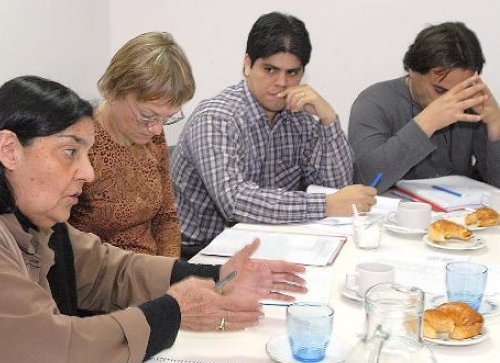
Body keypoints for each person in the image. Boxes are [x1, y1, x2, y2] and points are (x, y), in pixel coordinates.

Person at [0, 76, 307, 363]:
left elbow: (109, 270)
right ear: (9, 150)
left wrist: (217, 275)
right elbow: (46, 350)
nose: (88, 173)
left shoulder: (26, 213)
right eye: (70, 152)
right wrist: (174, 311)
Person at [171, 12, 377, 258]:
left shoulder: (299, 118)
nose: (281, 83)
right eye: (270, 69)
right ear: (247, 64)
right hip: (200, 252)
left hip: (271, 243)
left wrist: (329, 119)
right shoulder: (217, 118)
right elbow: (235, 202)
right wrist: (325, 205)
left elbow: (337, 190)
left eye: (292, 73)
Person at [69, 32, 192, 257]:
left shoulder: (152, 134)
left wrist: (170, 273)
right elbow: (63, 241)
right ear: (113, 91)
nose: (156, 129)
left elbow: (166, 217)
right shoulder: (80, 143)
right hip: (102, 279)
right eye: (147, 116)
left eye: (167, 118)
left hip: (151, 272)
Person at [349, 21, 500, 194]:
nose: (450, 101)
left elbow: (495, 183)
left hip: (459, 216)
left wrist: (496, 125)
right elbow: (364, 183)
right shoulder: (374, 102)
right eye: (440, 90)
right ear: (413, 70)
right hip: (394, 217)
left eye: (461, 90)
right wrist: (427, 123)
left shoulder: (470, 102)